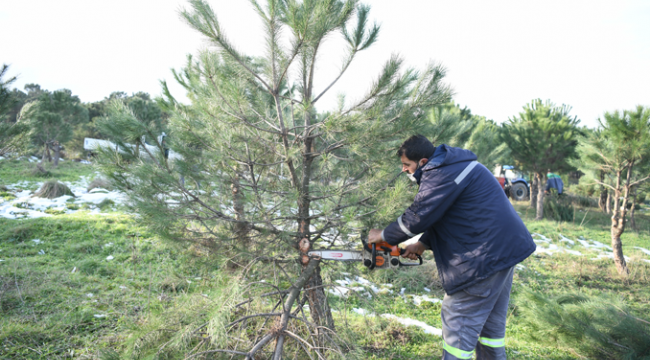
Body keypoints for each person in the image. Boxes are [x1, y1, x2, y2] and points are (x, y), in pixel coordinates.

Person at [368, 135, 536, 360]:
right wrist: (423, 243)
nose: (405, 171)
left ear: (423, 162)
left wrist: (383, 235)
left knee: (458, 318)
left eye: (407, 165)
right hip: (503, 250)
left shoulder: (440, 174)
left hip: (484, 258)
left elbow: (418, 216)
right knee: (489, 329)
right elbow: (447, 212)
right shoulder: (454, 166)